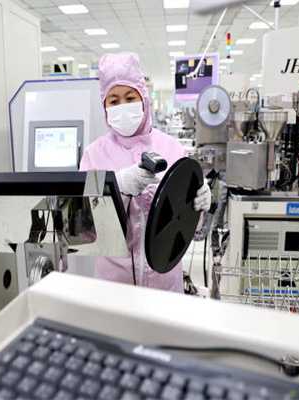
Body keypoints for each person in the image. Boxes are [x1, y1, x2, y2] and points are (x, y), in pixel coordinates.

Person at [80, 52, 211, 293]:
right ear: (105, 106)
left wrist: (199, 206)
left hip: (165, 282)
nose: (123, 106)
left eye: (130, 97)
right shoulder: (94, 155)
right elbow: (84, 229)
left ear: (144, 99)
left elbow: (185, 227)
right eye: (114, 101)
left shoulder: (172, 148)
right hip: (113, 287)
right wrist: (116, 186)